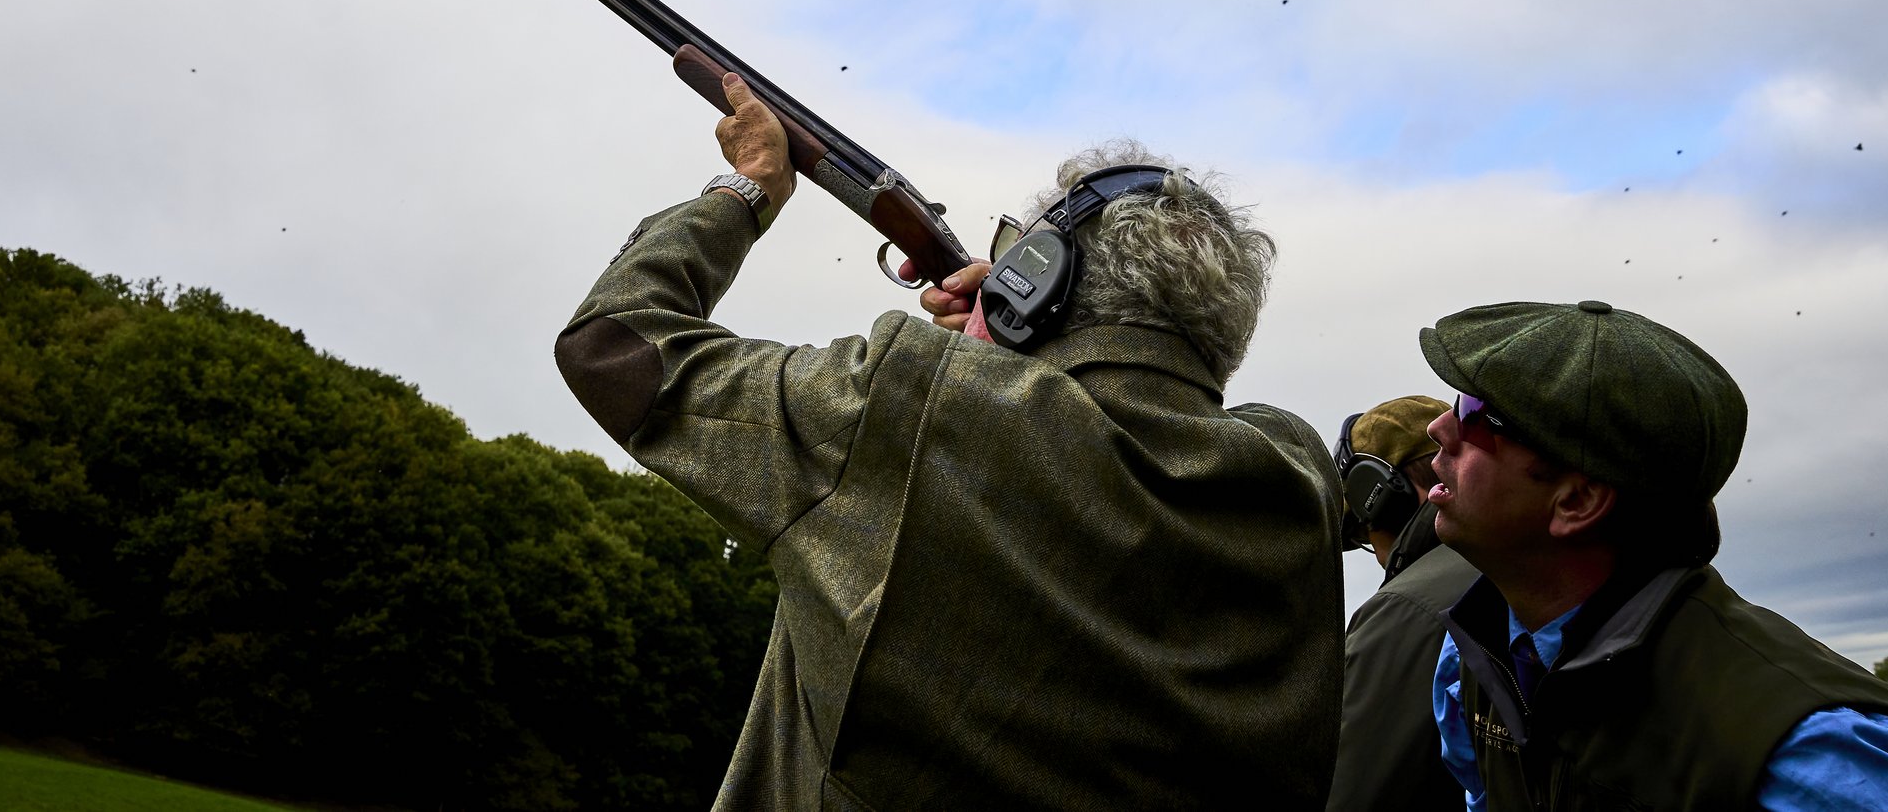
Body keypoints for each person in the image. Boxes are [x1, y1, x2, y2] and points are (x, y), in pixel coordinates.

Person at [555, 72, 1345, 810]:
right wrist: (1010, 340)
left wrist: (750, 185)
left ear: (1039, 278)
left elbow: (614, 345)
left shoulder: (916, 404)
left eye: (1015, 254)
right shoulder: (1295, 484)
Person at [1417, 299, 1888, 811]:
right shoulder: (1475, 658)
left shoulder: (1816, 759)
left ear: (1577, 501)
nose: (1442, 428)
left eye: (1476, 415)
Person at [1325, 395, 1480, 812]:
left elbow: (1351, 794)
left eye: (1361, 529)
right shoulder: (1507, 564)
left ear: (1381, 497)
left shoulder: (1404, 609)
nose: (1372, 551)